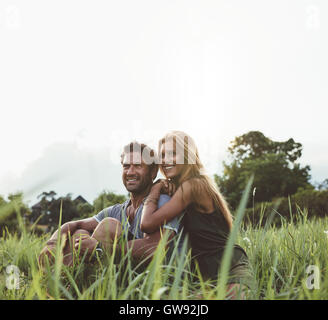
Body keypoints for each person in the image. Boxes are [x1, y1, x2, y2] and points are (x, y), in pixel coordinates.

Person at [140, 131, 255, 299]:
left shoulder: (194, 186)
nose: (165, 160)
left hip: (231, 269)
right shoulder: (182, 187)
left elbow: (147, 223)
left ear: (188, 156)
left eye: (173, 154)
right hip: (204, 277)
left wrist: (155, 189)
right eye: (162, 155)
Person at [39, 141, 180, 268]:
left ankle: (73, 284)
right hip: (118, 272)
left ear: (153, 172)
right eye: (126, 166)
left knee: (109, 225)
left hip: (150, 279)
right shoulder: (118, 210)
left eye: (138, 166)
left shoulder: (161, 201)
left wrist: (100, 248)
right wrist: (52, 243)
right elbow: (75, 224)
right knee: (80, 234)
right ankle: (65, 283)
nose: (130, 172)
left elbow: (155, 248)